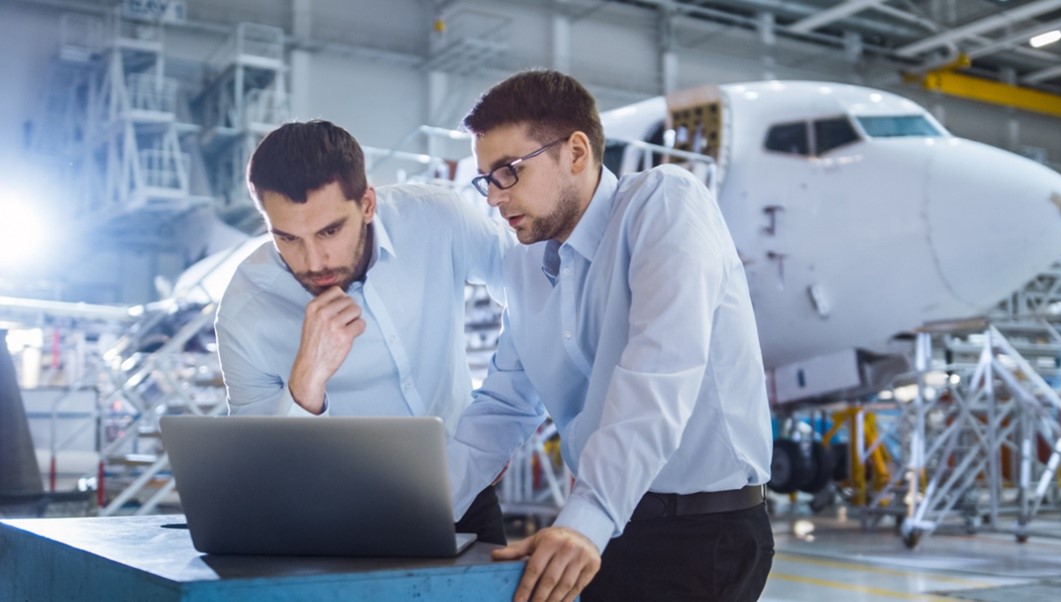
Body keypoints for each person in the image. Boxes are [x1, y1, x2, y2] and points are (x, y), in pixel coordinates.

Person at [447, 70, 774, 601]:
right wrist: (424, 511)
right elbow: (504, 406)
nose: (493, 198)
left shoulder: (664, 204)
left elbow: (658, 372)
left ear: (576, 152)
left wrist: (588, 518)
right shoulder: (525, 265)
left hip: (701, 533)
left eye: (507, 172)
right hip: (606, 530)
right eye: (486, 179)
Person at [214, 120, 515, 544]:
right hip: (333, 520)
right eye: (287, 238)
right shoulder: (246, 312)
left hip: (466, 497)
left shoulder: (436, 218)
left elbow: (534, 290)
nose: (314, 261)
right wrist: (306, 383)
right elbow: (263, 481)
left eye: (329, 231)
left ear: (368, 204)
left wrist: (496, 425)